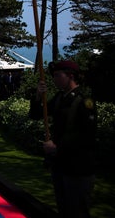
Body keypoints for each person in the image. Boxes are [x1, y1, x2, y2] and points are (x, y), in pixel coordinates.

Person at [30, 60, 96, 218]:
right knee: (64, 208)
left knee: (78, 210)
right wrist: (38, 96)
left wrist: (57, 146)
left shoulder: (84, 101)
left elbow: (87, 136)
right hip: (60, 165)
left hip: (78, 167)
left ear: (70, 76)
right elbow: (36, 115)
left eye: (58, 75)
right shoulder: (60, 98)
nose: (54, 79)